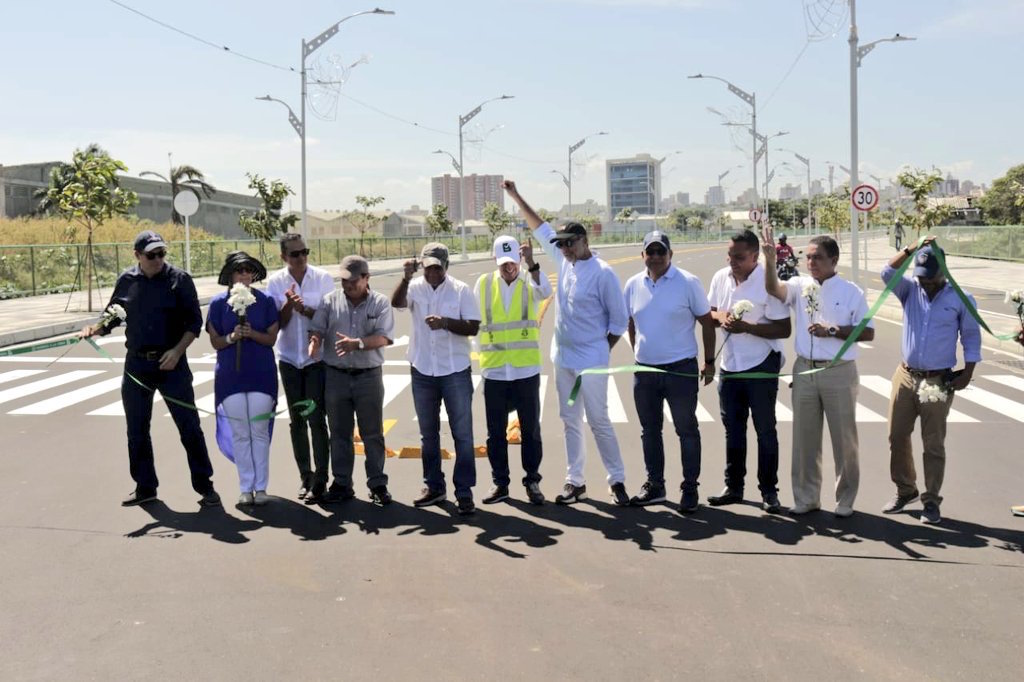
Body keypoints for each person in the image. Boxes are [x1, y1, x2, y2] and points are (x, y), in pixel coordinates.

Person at [503, 180, 631, 506]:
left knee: (599, 420)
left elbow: (618, 321)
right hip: (563, 357)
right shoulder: (564, 262)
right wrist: (517, 195)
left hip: (592, 359)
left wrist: (600, 350)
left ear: (584, 241)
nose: (563, 249)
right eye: (560, 245)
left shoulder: (602, 273)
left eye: (569, 243)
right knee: (569, 421)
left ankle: (617, 479)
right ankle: (575, 482)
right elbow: (539, 226)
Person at [79, 230, 220, 507]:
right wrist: (93, 329)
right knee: (136, 429)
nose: (157, 259)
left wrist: (177, 352)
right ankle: (145, 486)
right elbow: (111, 318)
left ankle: (205, 487)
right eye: (151, 255)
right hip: (137, 365)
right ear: (137, 256)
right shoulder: (127, 281)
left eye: (161, 254)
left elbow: (194, 323)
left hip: (172, 365)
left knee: (189, 427)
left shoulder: (179, 280)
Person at [761, 228, 874, 518]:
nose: (811, 262)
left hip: (839, 371)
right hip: (805, 369)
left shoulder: (851, 291)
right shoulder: (799, 285)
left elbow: (868, 332)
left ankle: (845, 498)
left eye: (818, 258)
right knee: (804, 440)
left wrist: (833, 331)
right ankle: (806, 497)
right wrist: (770, 260)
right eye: (808, 257)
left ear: (834, 260)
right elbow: (774, 289)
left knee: (844, 440)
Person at [881, 238, 981, 525]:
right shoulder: (909, 290)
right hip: (906, 375)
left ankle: (931, 500)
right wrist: (911, 248)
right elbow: (886, 273)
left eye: (932, 278)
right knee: (897, 436)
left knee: (933, 443)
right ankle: (905, 490)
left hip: (938, 380)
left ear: (945, 272)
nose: (926, 284)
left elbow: (971, 338)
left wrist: (968, 372)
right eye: (922, 278)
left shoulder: (961, 298)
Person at [623, 230, 716, 512]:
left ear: (670, 255)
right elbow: (630, 322)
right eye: (650, 252)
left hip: (680, 370)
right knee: (649, 430)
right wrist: (639, 351)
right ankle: (655, 485)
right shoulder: (633, 284)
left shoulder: (687, 282)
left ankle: (690, 487)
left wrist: (709, 362)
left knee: (686, 429)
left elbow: (707, 323)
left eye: (660, 251)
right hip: (645, 371)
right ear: (643, 256)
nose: (655, 257)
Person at [391, 242, 480, 515]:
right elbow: (397, 303)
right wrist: (405, 278)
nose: (431, 273)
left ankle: (464, 491)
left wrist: (445, 323)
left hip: (454, 371)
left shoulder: (461, 290)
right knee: (428, 436)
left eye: (436, 268)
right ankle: (433, 486)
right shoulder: (414, 287)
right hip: (422, 370)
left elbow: (473, 327)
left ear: (446, 267)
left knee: (462, 435)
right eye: (427, 267)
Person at [706, 230, 791, 513]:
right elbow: (711, 313)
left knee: (765, 429)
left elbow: (784, 328)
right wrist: (723, 317)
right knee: (733, 429)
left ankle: (769, 491)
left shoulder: (768, 282)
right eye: (730, 255)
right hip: (730, 365)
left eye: (739, 257)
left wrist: (748, 328)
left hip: (762, 362)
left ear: (755, 256)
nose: (733, 262)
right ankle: (734, 487)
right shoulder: (721, 278)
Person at [309, 255, 395, 506]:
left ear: (366, 278)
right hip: (336, 375)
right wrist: (314, 341)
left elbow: (384, 338)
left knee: (372, 433)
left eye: (353, 281)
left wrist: (356, 344)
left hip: (368, 376)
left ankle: (377, 483)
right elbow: (318, 328)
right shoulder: (330, 301)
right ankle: (342, 483)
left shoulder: (379, 303)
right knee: (339, 433)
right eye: (344, 281)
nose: (347, 286)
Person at [474, 234, 552, 506]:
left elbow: (546, 293)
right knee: (495, 433)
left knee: (530, 431)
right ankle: (500, 484)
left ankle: (532, 481)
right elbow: (475, 322)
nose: (509, 268)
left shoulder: (530, 282)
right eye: (504, 262)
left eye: (513, 262)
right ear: (495, 259)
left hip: (525, 371)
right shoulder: (483, 284)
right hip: (495, 372)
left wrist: (532, 263)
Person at [205, 252, 279, 506]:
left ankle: (261, 488)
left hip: (261, 373)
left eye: (249, 271)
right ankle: (245, 487)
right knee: (240, 432)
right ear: (230, 276)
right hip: (230, 376)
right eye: (240, 271)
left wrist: (253, 334)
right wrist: (232, 337)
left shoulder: (266, 300)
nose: (245, 276)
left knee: (258, 431)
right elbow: (215, 341)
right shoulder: (217, 304)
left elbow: (271, 338)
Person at [265, 233, 334, 502]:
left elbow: (330, 318)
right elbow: (276, 324)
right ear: (284, 257)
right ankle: (305, 475)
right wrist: (288, 307)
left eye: (305, 251)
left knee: (317, 419)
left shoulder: (323, 278)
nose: (302, 257)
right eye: (295, 254)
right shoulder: (276, 281)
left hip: (316, 361)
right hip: (290, 360)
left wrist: (305, 309)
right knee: (297, 421)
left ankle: (321, 478)